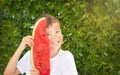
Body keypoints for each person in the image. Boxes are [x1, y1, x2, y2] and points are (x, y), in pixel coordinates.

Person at [4, 14, 78, 75]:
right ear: (41, 37)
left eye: (57, 31)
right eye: (48, 34)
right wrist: (20, 48)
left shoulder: (66, 57)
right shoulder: (30, 56)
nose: (55, 36)